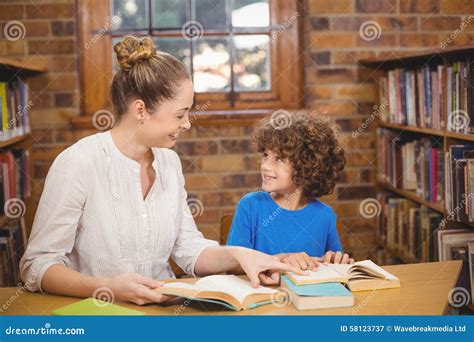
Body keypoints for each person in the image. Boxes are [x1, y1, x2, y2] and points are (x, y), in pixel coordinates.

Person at [20, 36, 304, 306]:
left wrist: (243, 256)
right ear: (140, 110)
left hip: (163, 311)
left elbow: (188, 249)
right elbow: (37, 265)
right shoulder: (78, 163)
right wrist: (106, 287)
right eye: (180, 115)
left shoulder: (169, 163)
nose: (187, 124)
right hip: (101, 313)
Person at [227, 112, 354, 270]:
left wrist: (337, 261)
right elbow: (233, 266)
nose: (265, 165)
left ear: (307, 166)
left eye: (279, 159)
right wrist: (280, 260)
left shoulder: (325, 216)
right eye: (266, 155)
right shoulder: (251, 206)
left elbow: (333, 265)